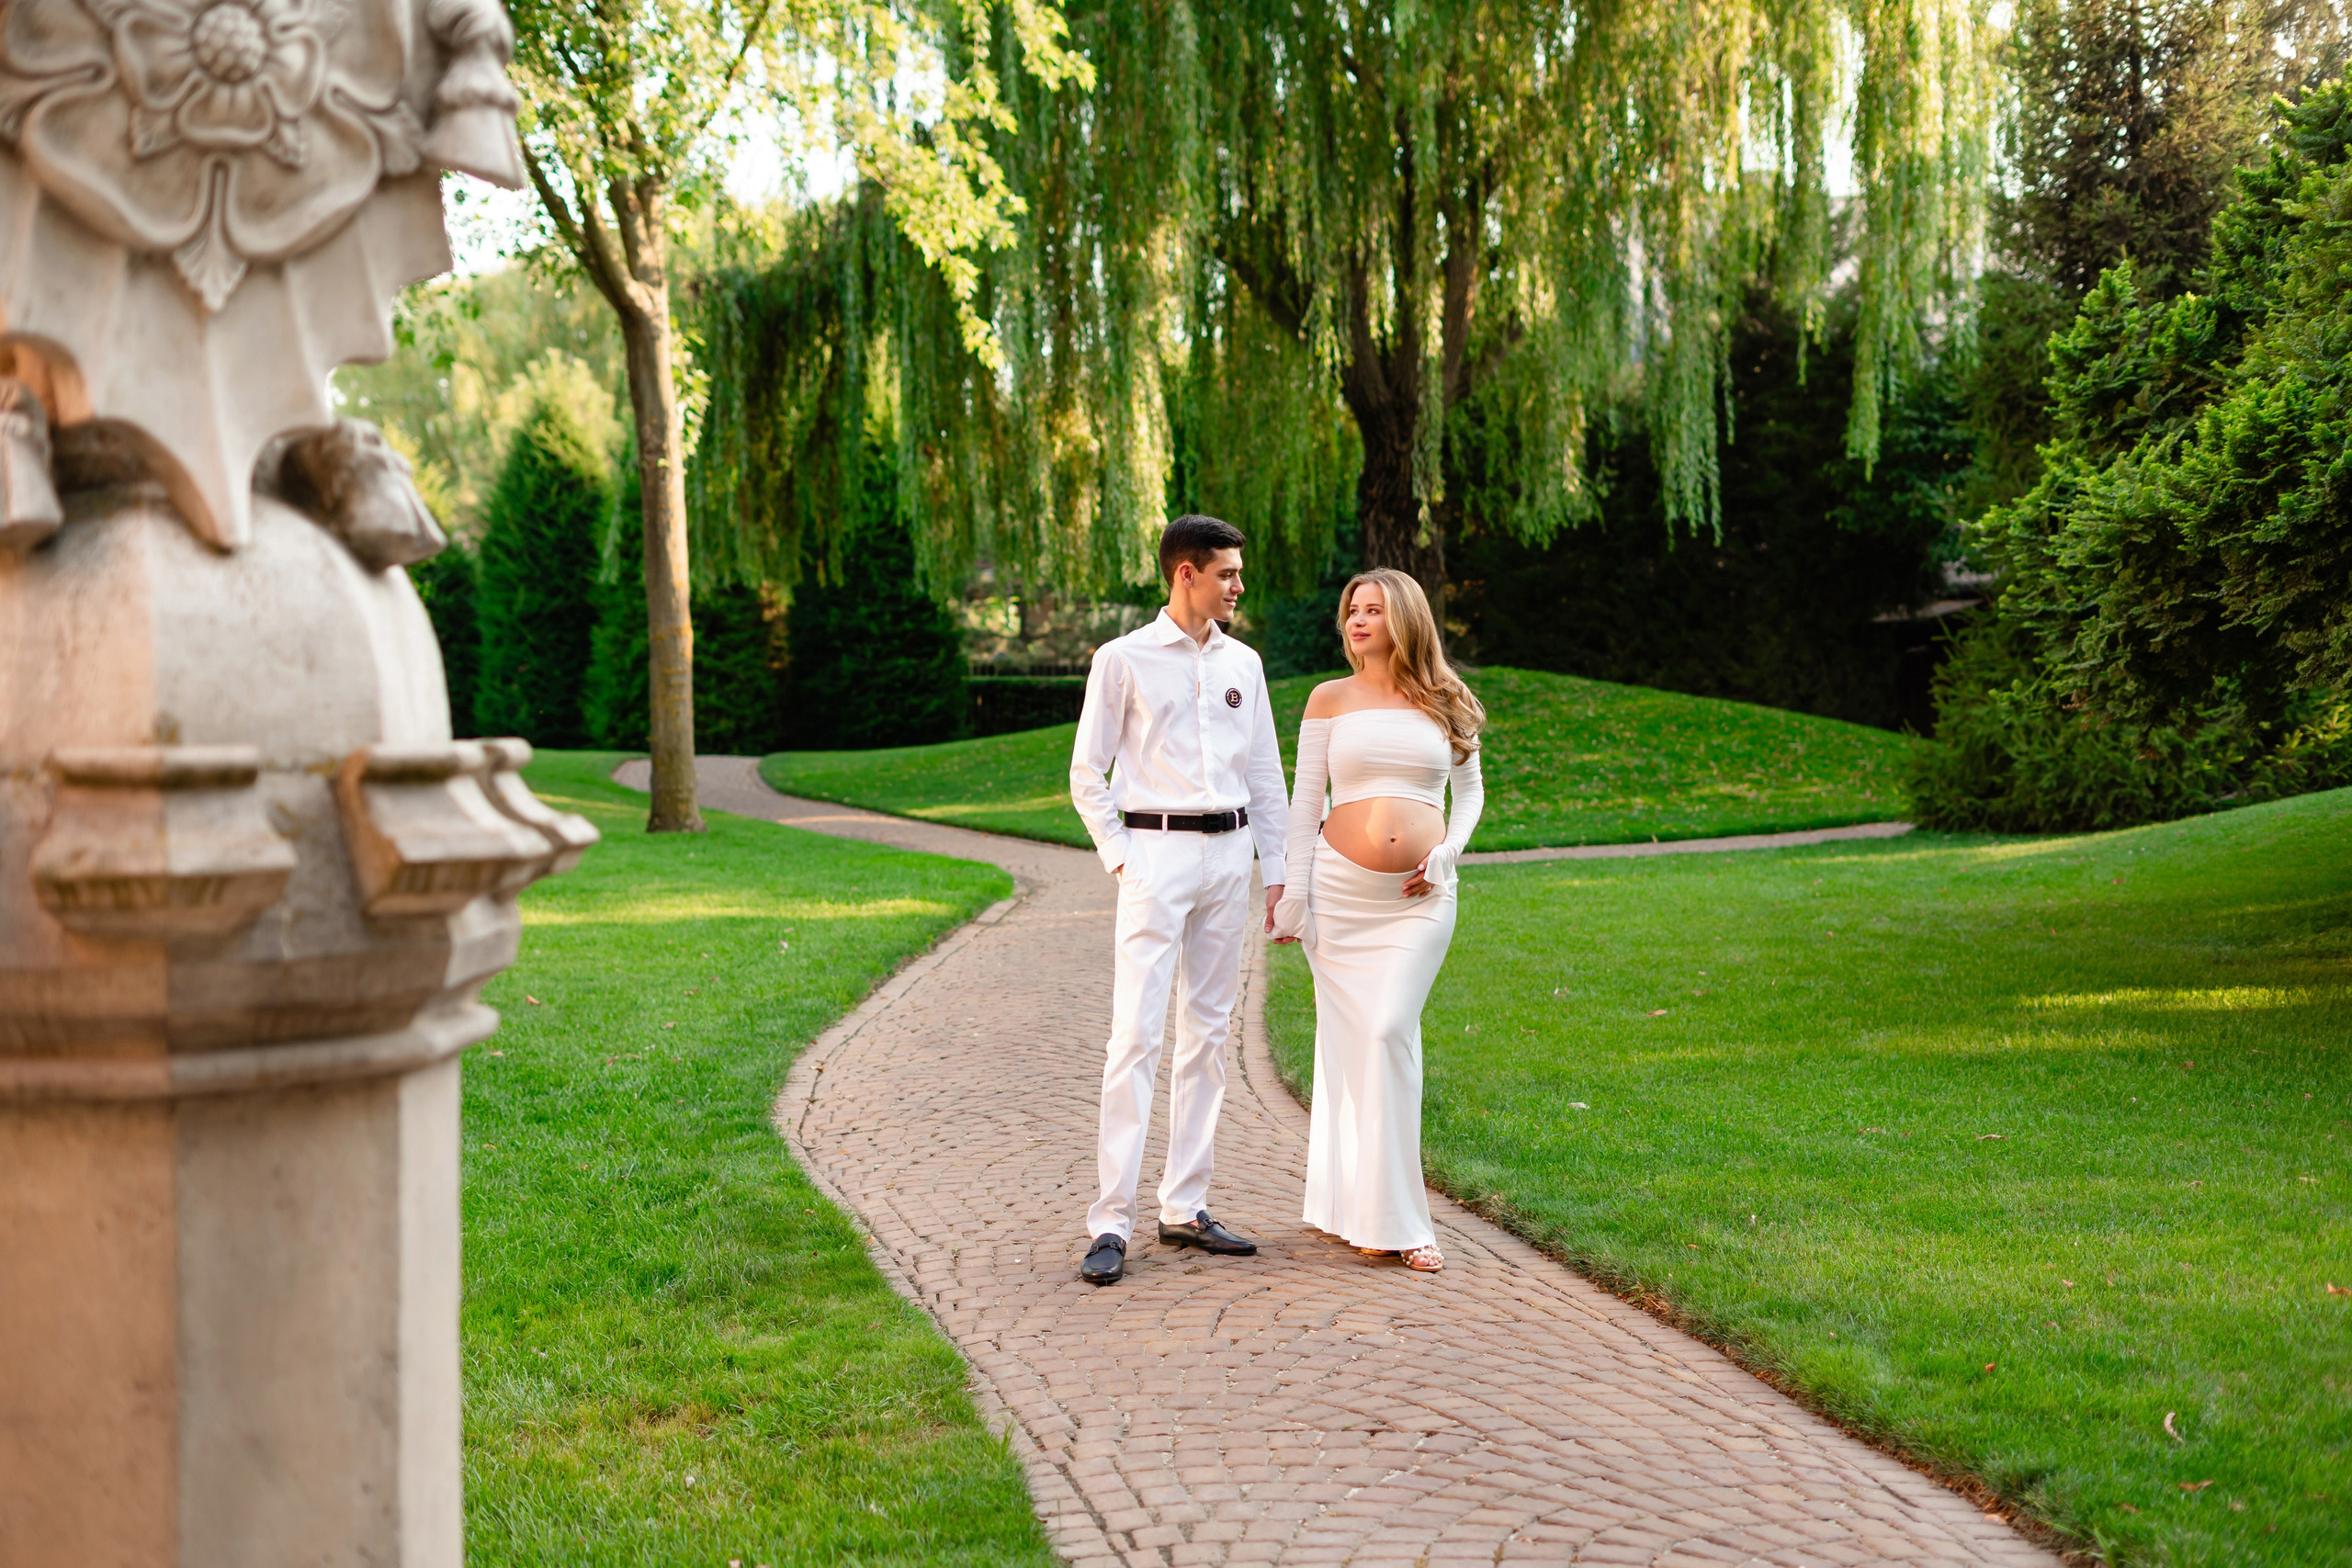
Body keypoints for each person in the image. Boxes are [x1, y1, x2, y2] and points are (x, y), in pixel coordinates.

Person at [1069, 515, 1292, 1286]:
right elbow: (1086, 773)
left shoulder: (1246, 664)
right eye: (1227, 573)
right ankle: (1110, 1221)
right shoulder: (1122, 658)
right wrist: (1123, 859)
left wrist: (1278, 873)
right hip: (1155, 855)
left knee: (1208, 1033)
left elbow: (1266, 775)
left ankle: (1185, 1206)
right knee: (1134, 1035)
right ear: (1185, 573)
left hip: (1229, 858)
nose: (1238, 585)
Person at [1269, 570, 1484, 1273]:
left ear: (1405, 617)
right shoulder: (1329, 697)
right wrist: (1293, 897)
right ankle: (1357, 1209)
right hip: (1339, 895)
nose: (1357, 620)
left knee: (1389, 1028)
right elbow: (1306, 807)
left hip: (1417, 900)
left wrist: (1448, 853)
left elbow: (1470, 794)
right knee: (1352, 1047)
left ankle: (1404, 1220)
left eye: (1373, 610)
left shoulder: (1445, 700)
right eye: (1352, 610)